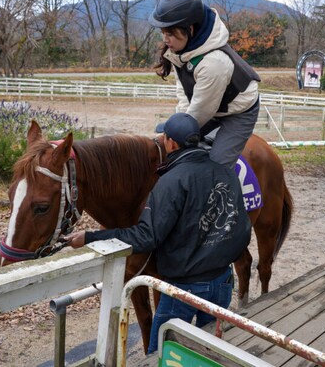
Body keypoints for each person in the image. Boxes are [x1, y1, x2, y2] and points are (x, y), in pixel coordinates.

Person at [63, 112, 251, 354]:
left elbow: (147, 237)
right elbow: (241, 229)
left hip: (184, 288)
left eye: (163, 137)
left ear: (170, 142)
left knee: (161, 353)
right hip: (223, 282)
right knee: (209, 350)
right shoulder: (226, 173)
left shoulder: (171, 181)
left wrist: (90, 237)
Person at [150, 0, 261, 169]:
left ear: (190, 29)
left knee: (216, 166)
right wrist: (179, 121)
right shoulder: (182, 49)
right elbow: (184, 91)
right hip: (210, 104)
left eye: (170, 34)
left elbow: (202, 110)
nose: (165, 40)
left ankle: (222, 185)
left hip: (238, 111)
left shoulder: (214, 63)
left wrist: (179, 132)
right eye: (163, 33)